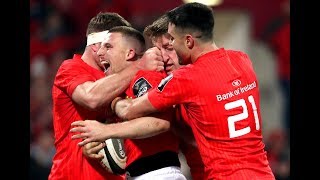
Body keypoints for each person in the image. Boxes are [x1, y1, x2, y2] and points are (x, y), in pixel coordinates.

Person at [74, 3, 276, 179]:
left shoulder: (186, 79)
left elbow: (135, 112)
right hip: (261, 173)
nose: (163, 58)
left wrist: (111, 109)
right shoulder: (241, 59)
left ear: (188, 42)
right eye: (158, 50)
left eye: (170, 46)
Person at [70, 14, 204, 180]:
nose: (101, 53)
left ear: (129, 53)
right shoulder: (122, 89)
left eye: (109, 47)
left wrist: (105, 130)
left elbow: (160, 122)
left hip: (158, 174)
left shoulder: (144, 77)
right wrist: (97, 145)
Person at [49, 12, 164, 180]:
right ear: (97, 45)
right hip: (72, 175)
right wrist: (140, 65)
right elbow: (92, 98)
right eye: (110, 45)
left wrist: (106, 135)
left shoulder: (122, 77)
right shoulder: (71, 68)